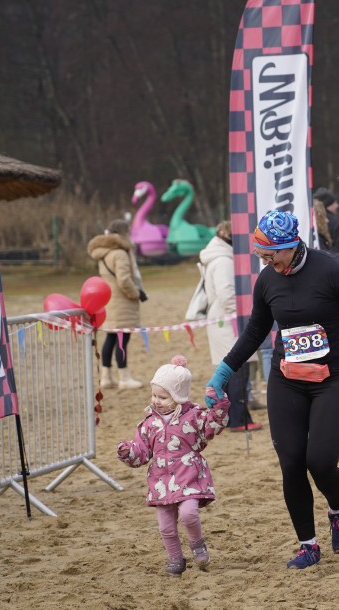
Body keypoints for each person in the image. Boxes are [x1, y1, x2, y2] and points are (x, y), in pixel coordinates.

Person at [203, 210, 339, 570]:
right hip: (287, 380)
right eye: (261, 257)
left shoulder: (330, 270)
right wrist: (223, 372)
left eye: (271, 255)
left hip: (333, 380)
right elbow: (254, 333)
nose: (267, 262)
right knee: (292, 463)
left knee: (321, 462)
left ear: (290, 245)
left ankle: (338, 511)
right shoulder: (267, 280)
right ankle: (308, 545)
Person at [116, 355, 230, 577]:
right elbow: (142, 453)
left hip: (188, 476)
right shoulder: (149, 424)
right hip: (161, 481)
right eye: (154, 395)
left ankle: (198, 545)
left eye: (163, 397)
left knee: (189, 514)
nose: (156, 401)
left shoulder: (193, 416)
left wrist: (220, 404)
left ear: (178, 396)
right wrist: (128, 451)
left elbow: (212, 426)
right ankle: (176, 558)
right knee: (166, 527)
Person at [199, 221, 261, 431]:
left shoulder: (219, 257)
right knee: (236, 369)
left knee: (229, 371)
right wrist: (245, 316)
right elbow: (227, 293)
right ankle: (238, 420)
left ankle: (225, 417)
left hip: (224, 319)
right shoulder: (224, 260)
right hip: (229, 320)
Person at [87, 219, 147, 389]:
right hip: (122, 302)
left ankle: (106, 377)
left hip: (109, 301)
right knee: (122, 340)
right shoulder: (120, 253)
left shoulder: (104, 252)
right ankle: (124, 377)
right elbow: (124, 279)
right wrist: (135, 293)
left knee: (111, 338)